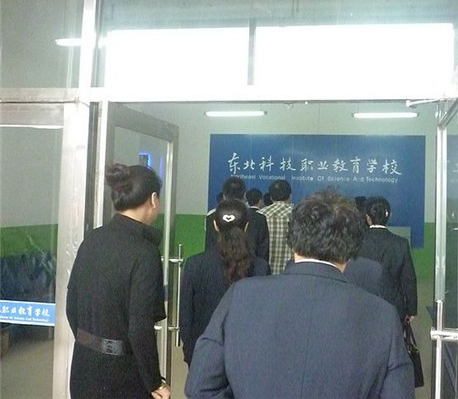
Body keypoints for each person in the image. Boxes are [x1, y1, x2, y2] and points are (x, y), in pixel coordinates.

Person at [185, 189, 415, 399]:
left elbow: (200, 387)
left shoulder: (240, 296)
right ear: (351, 251)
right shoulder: (383, 316)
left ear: (293, 242)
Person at [66, 164, 170, 399]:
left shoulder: (92, 239)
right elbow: (140, 328)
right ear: (154, 199)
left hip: (82, 368)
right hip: (123, 377)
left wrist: (91, 344)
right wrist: (155, 382)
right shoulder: (145, 252)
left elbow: (71, 307)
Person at [179, 199, 271, 366]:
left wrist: (190, 354)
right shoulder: (261, 267)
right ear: (247, 226)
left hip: (204, 352)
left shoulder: (194, 264)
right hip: (245, 356)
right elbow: (263, 318)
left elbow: (186, 317)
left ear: (215, 225)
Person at [359, 196, 418, 328]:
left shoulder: (356, 243)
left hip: (362, 307)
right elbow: (409, 279)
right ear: (390, 216)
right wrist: (411, 309)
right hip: (393, 309)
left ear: (367, 218)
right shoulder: (401, 244)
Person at [205, 177, 269, 263]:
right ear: (244, 195)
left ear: (224, 195)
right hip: (250, 267)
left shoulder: (211, 218)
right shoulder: (259, 219)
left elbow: (209, 249)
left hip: (217, 266)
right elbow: (263, 252)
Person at [260, 179, 293, 274]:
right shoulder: (299, 215)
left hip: (264, 275)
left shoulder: (259, 215)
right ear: (290, 196)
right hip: (291, 274)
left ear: (271, 197)